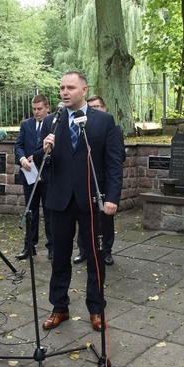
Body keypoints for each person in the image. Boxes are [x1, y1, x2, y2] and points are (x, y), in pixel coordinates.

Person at [34, 71, 123, 332]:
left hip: (92, 201)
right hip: (59, 200)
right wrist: (44, 149)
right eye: (61, 87)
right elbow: (40, 160)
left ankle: (96, 309)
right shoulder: (52, 120)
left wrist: (112, 198)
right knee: (59, 257)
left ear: (84, 90)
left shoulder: (103, 121)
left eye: (70, 87)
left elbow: (114, 163)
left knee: (95, 257)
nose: (64, 92)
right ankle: (59, 306)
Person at [73, 95, 126, 266]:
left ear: (104, 108)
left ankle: (107, 251)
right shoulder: (81, 127)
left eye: (97, 106)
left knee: (104, 221)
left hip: (102, 181)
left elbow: (118, 158)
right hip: (82, 182)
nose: (94, 110)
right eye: (91, 107)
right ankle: (83, 250)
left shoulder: (112, 128)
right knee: (82, 218)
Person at [14, 94, 53, 260]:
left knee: (50, 211)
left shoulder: (54, 124)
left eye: (40, 109)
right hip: (30, 174)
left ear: (47, 107)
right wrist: (22, 158)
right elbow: (19, 145)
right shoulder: (26, 125)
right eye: (34, 109)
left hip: (47, 174)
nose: (36, 112)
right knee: (31, 211)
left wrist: (39, 156)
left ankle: (52, 247)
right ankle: (29, 246)